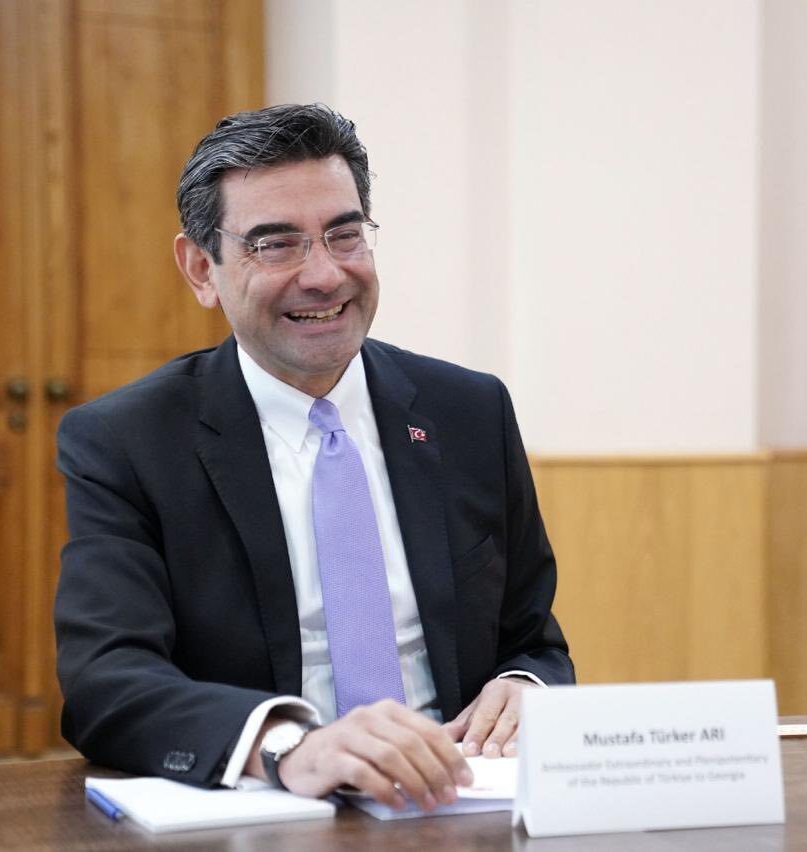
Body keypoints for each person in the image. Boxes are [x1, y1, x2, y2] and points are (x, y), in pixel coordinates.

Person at [54, 103, 573, 810]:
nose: (325, 275)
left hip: (460, 798)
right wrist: (290, 745)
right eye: (276, 245)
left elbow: (533, 639)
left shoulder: (469, 412)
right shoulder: (128, 441)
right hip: (268, 808)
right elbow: (107, 682)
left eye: (344, 235)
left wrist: (525, 687)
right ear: (202, 268)